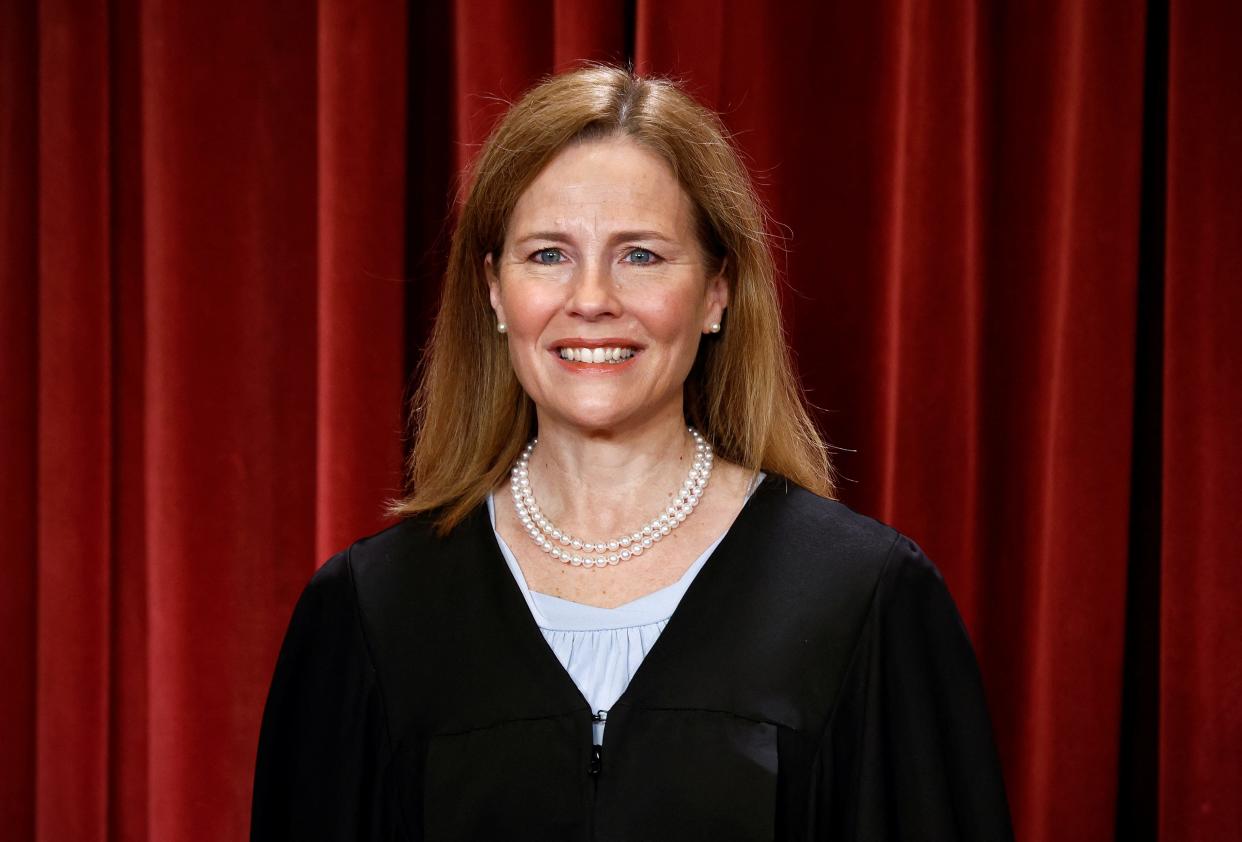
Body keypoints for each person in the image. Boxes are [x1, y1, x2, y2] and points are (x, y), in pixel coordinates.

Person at [250, 64, 1012, 840]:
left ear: (717, 291)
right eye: (548, 254)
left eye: (640, 255)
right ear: (493, 291)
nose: (590, 299)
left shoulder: (862, 600)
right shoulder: (374, 612)